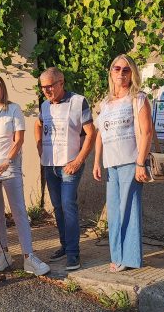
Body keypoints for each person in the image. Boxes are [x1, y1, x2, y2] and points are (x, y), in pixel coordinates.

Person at [0, 73, 50, 275]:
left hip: (8, 166)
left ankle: (28, 256)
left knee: (18, 211)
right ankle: (4, 252)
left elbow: (19, 141)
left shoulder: (13, 109)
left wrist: (7, 161)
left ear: (2, 87)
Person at [92, 54, 152, 272]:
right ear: (111, 72)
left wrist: (140, 163)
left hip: (130, 162)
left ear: (132, 73)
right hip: (111, 164)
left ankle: (130, 258)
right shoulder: (105, 103)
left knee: (130, 209)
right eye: (116, 69)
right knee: (115, 212)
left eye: (126, 70)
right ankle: (117, 256)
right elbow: (99, 134)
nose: (121, 73)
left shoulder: (138, 99)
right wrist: (97, 161)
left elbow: (146, 133)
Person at [34, 67, 96, 271]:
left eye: (50, 86)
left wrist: (79, 160)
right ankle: (64, 244)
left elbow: (90, 133)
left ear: (61, 82)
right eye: (43, 87)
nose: (47, 90)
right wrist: (39, 145)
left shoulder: (78, 101)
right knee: (58, 207)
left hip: (70, 165)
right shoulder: (44, 105)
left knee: (68, 205)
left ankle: (73, 253)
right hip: (50, 165)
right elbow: (38, 124)